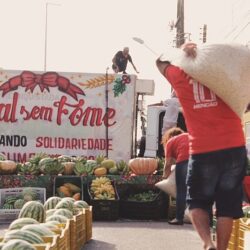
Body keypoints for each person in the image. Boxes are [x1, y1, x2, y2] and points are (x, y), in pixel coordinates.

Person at [156, 43, 247, 250]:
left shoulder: (179, 77)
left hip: (202, 149)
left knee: (196, 202)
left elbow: (160, 60)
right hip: (234, 145)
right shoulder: (225, 77)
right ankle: (221, 249)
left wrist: (182, 51)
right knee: (227, 206)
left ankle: (207, 243)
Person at [162, 127, 189, 225]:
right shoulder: (189, 136)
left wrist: (165, 176)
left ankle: (179, 218)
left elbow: (168, 163)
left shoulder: (171, 141)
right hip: (200, 162)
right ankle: (208, 219)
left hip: (184, 162)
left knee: (181, 190)